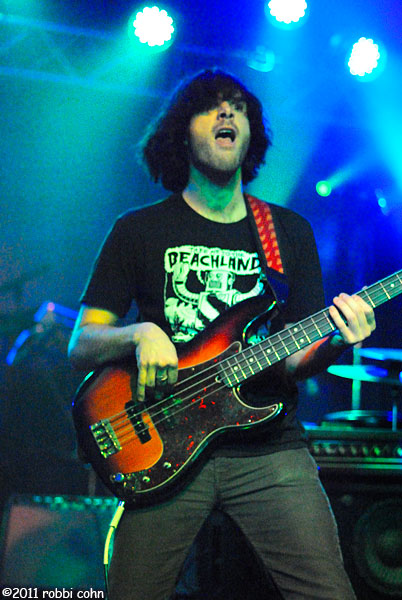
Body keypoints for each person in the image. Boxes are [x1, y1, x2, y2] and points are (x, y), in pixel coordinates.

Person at [68, 68, 376, 600]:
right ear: (181, 134)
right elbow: (82, 344)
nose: (228, 112)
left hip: (268, 452)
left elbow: (294, 358)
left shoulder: (287, 232)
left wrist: (338, 341)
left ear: (251, 134)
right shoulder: (138, 230)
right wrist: (139, 334)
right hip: (161, 443)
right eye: (211, 106)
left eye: (238, 106)